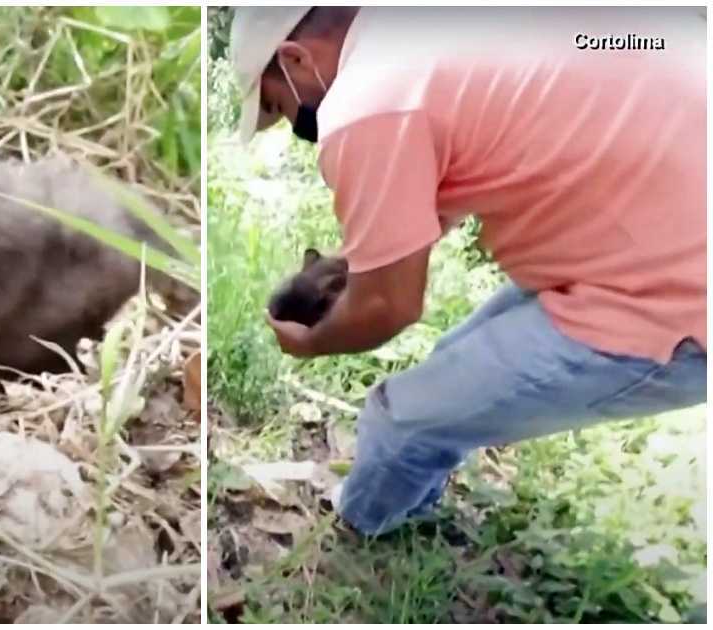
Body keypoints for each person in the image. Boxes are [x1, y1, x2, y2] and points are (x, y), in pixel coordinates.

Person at [230, 6, 707, 536]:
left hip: (671, 302)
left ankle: (357, 529)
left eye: (281, 104)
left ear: (295, 57)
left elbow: (389, 307)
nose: (298, 125)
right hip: (643, 244)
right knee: (451, 362)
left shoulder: (366, 103)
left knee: (399, 418)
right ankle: (415, 494)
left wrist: (311, 342)